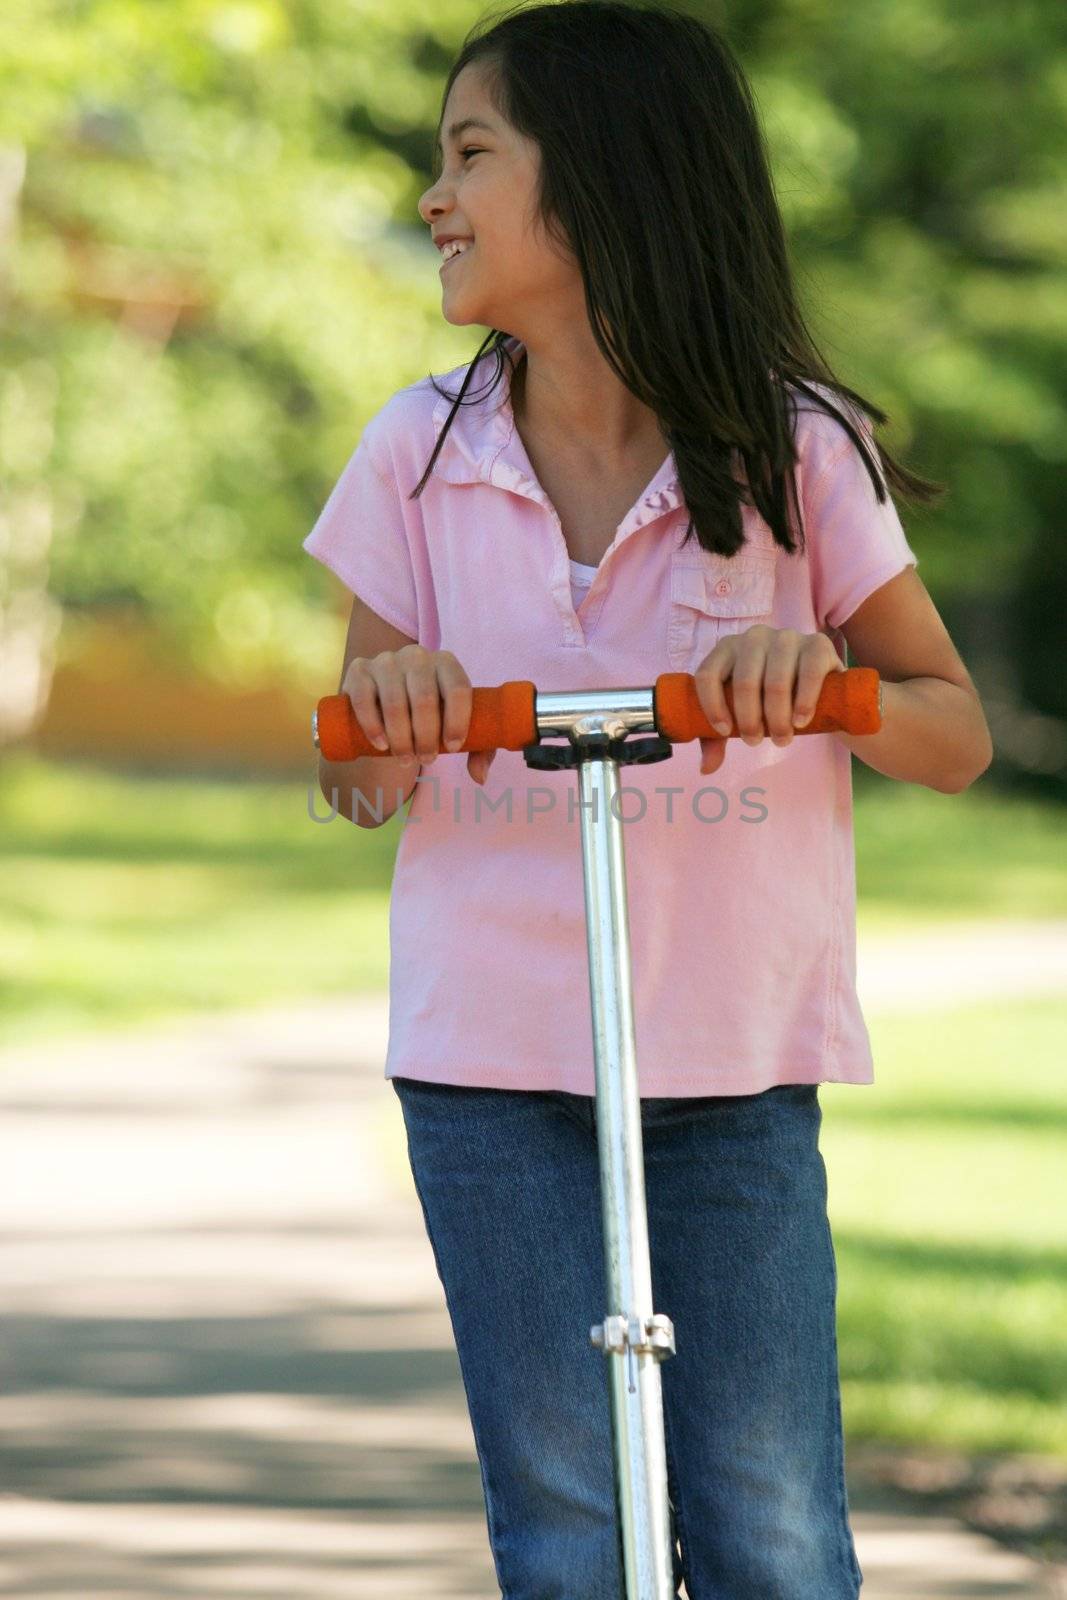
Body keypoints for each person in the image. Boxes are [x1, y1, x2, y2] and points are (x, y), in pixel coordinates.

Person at [302, 5, 994, 1594]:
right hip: (491, 1068)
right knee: (567, 1524)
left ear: (604, 179)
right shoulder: (420, 454)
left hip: (730, 1063)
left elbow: (950, 734)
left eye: (470, 152)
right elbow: (353, 773)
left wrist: (825, 674)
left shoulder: (796, 452)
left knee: (770, 1523)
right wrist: (390, 716)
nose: (433, 196)